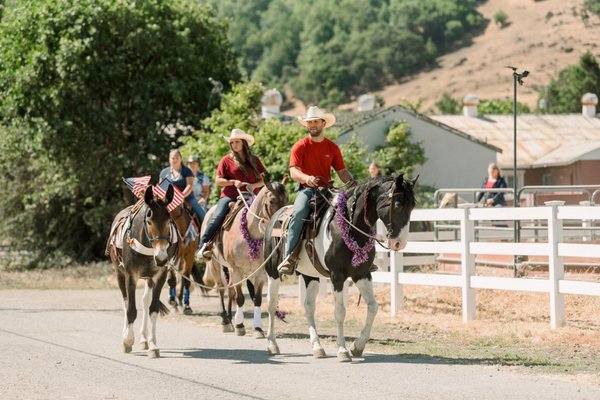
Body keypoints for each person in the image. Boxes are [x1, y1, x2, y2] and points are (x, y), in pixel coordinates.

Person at [277, 106, 356, 275]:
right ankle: (289, 256)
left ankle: (358, 256)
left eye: (315, 122)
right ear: (307, 125)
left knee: (348, 211)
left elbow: (341, 171)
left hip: (327, 189)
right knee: (298, 214)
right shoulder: (300, 146)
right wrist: (307, 178)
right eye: (310, 122)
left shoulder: (332, 148)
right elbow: (293, 171)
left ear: (323, 123)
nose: (312, 125)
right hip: (307, 190)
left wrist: (352, 182)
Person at [196, 128, 266, 259]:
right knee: (217, 216)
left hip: (251, 196)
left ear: (244, 143)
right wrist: (233, 182)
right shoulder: (226, 160)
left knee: (266, 215)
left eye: (237, 142)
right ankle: (204, 245)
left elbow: (263, 180)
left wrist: (253, 185)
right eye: (232, 142)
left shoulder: (254, 160)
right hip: (230, 196)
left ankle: (272, 248)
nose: (234, 145)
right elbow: (218, 181)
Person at [160, 149, 206, 222]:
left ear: (181, 159)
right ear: (169, 159)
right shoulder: (164, 172)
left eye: (177, 157)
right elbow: (161, 188)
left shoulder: (187, 171)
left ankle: (207, 231)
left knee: (202, 215)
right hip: (169, 200)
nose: (175, 160)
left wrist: (180, 197)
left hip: (188, 198)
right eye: (172, 158)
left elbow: (189, 186)